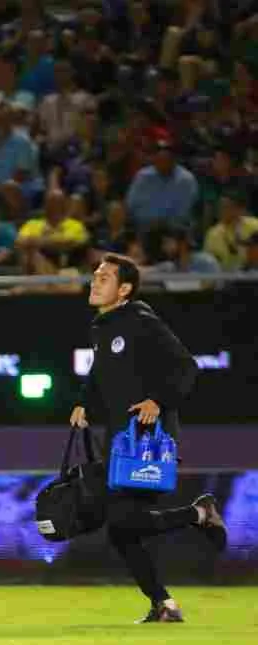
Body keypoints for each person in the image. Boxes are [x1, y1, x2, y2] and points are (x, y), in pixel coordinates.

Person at [69, 253, 227, 624]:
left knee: (123, 524)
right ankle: (164, 606)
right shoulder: (101, 326)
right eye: (95, 275)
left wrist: (159, 400)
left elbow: (186, 366)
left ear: (124, 289)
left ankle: (199, 514)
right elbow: (100, 373)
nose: (95, 281)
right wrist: (82, 402)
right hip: (119, 438)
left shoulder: (141, 320)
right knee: (122, 531)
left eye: (104, 278)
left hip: (148, 441)